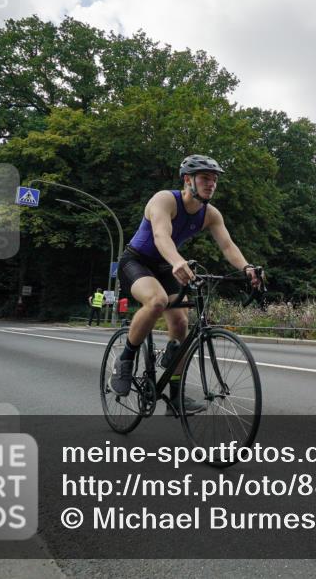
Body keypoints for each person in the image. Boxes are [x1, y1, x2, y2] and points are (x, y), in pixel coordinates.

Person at [111, 155, 262, 416]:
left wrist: (246, 268)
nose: (211, 184)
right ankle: (125, 358)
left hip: (166, 265)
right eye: (205, 178)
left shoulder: (210, 214)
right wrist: (178, 262)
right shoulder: (164, 200)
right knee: (157, 300)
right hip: (136, 261)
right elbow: (160, 235)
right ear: (187, 179)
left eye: (214, 180)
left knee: (181, 322)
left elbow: (227, 245)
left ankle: (175, 397)